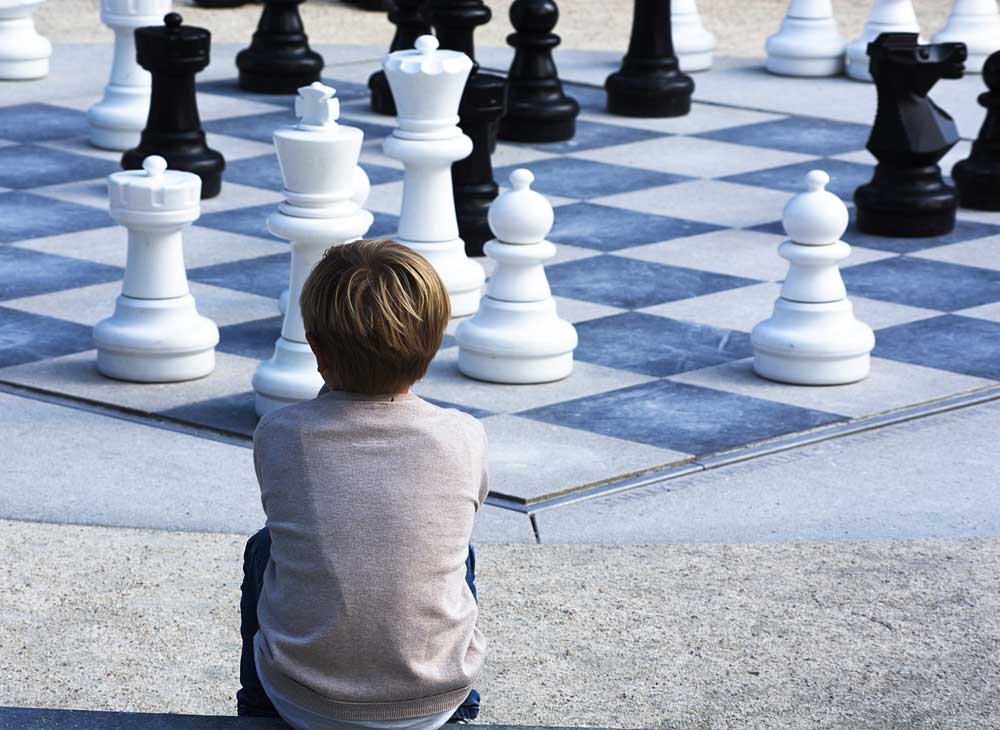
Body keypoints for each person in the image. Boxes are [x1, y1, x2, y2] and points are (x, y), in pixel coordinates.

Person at [237, 239, 489, 730]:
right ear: (434, 344)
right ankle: (465, 709)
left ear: (315, 349)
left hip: (302, 700)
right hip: (433, 703)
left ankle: (257, 711)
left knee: (265, 547)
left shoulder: (279, 432)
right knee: (457, 550)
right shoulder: (463, 434)